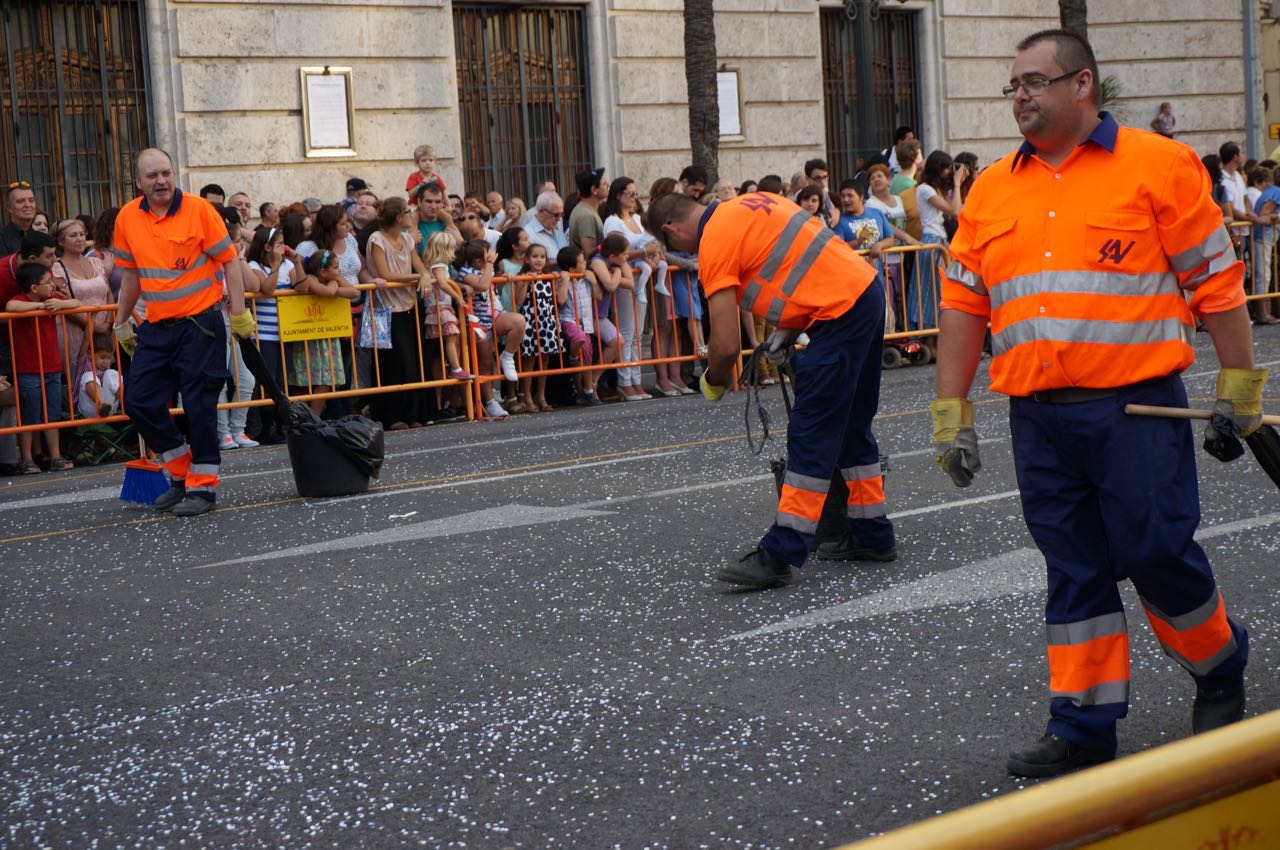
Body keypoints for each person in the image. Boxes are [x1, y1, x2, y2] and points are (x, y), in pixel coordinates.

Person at [933, 29, 1257, 780]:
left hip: (1135, 409)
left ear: (1082, 85)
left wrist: (1239, 386)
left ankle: (1218, 663)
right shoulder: (994, 188)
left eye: (1034, 82)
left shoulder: (1157, 164)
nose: (1019, 96)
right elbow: (964, 303)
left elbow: (1216, 281)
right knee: (1073, 567)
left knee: (1155, 553)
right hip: (1039, 416)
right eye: (1013, 85)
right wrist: (952, 412)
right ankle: (1082, 723)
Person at [646, 190, 896, 589]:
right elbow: (804, 263)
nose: (683, 251)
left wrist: (713, 382)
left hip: (837, 313)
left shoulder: (714, 241)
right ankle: (872, 534)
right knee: (852, 424)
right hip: (864, 293)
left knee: (811, 432)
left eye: (674, 245)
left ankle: (781, 551)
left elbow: (725, 346)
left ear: (670, 229)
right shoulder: (754, 202)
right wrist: (790, 327)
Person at [111, 148, 257, 517]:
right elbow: (131, 275)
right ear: (138, 182)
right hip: (157, 328)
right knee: (139, 401)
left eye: (166, 173)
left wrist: (239, 313)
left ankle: (203, 487)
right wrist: (121, 321)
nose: (161, 181)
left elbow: (229, 261)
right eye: (152, 176)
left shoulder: (199, 209)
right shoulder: (128, 217)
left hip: (200, 327)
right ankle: (181, 472)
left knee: (198, 406)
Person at [365, 197, 436, 430]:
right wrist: (418, 277)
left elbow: (420, 266)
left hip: (408, 304)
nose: (410, 215)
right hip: (386, 307)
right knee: (396, 362)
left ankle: (414, 413)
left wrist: (423, 274)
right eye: (407, 212)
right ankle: (392, 415)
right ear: (398, 217)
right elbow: (386, 274)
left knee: (413, 361)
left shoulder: (406, 238)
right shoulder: (377, 239)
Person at [7, 262, 78, 473]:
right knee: (29, 416)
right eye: (48, 282)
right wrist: (39, 307)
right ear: (34, 288)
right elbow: (11, 306)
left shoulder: (51, 300)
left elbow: (76, 302)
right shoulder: (22, 301)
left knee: (52, 414)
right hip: (28, 369)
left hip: (52, 367)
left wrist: (60, 304)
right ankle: (27, 459)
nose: (52, 285)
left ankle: (55, 456)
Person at [457, 237, 523, 419]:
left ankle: (507, 356)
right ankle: (490, 402)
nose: (492, 258)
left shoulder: (486, 268)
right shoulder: (465, 272)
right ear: (479, 261)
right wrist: (489, 266)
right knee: (485, 364)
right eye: (488, 256)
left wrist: (506, 277)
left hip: (496, 315)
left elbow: (493, 287)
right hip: (479, 323)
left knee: (518, 321)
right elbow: (483, 285)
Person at [515, 242, 563, 411]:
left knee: (544, 359)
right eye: (535, 256)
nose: (539, 260)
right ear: (527, 259)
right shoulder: (523, 277)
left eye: (542, 257)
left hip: (546, 320)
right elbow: (519, 300)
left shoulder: (548, 277)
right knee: (529, 360)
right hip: (530, 320)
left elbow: (554, 301)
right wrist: (526, 282)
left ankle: (540, 395)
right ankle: (527, 396)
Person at [420, 231, 473, 383]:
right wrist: (457, 296)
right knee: (451, 338)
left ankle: (453, 366)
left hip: (439, 306)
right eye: (451, 248)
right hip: (441, 307)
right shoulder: (439, 265)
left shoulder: (432, 265)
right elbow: (443, 283)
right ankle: (456, 368)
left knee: (449, 339)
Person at [77, 330, 122, 419]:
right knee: (89, 376)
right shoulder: (85, 361)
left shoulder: (107, 365)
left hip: (109, 408)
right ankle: (101, 404)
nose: (106, 362)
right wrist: (93, 321)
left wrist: (115, 324)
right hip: (89, 408)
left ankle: (124, 400)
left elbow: (113, 341)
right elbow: (86, 338)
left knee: (112, 373)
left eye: (109, 358)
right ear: (90, 354)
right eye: (102, 357)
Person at [568, 167, 607, 257]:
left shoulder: (586, 210)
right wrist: (609, 244)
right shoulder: (586, 216)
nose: (608, 185)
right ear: (594, 190)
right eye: (604, 184)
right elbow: (589, 252)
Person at [526, 192, 569, 265]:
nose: (559, 219)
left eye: (561, 214)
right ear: (541, 211)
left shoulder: (557, 228)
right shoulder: (528, 234)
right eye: (556, 215)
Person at [1, 180, 37, 255]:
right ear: (9, 207)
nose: (27, 205)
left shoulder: (40, 238)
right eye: (20, 201)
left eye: (31, 200)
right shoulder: (2, 239)